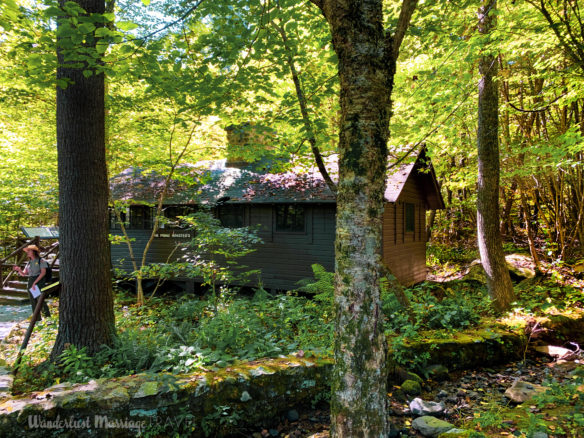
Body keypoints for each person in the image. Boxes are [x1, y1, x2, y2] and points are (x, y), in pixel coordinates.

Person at [13, 244, 51, 319]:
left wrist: (35, 283)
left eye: (29, 251)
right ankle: (36, 318)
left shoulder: (41, 260)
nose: (27, 252)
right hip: (30, 281)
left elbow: (43, 273)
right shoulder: (29, 263)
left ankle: (47, 317)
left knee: (40, 299)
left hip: (38, 281)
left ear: (33, 251)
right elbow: (24, 274)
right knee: (33, 300)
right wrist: (19, 270)